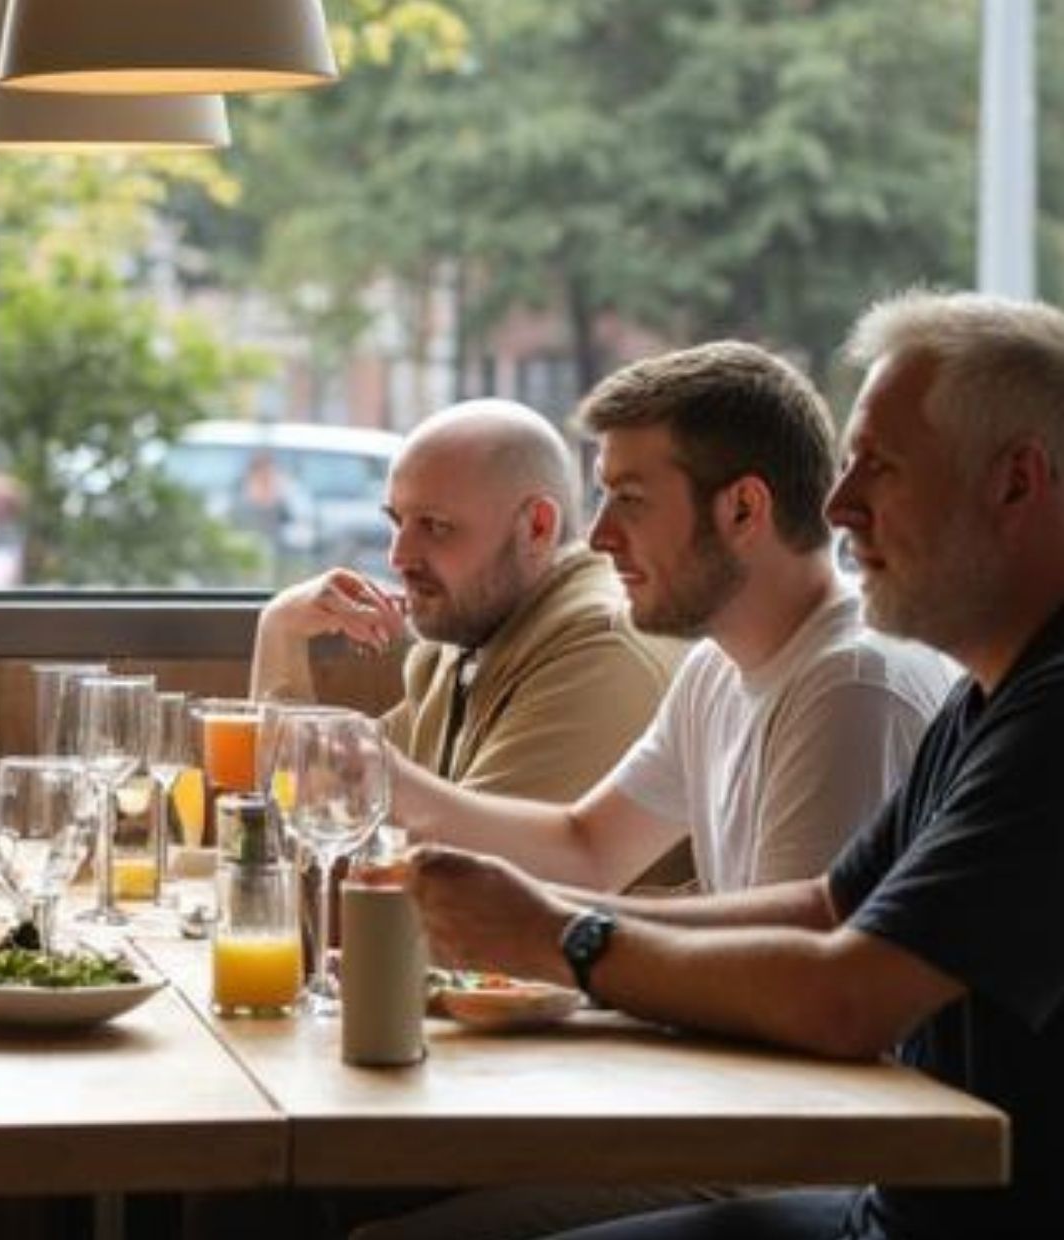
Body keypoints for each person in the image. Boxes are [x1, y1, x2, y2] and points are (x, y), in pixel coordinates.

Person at [406, 290, 1064, 1240]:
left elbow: (846, 997)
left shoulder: (1013, 710)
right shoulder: (988, 697)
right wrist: (533, 919)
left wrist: (563, 942)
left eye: (878, 468)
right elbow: (827, 905)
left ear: (1015, 484)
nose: (839, 506)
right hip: (896, 1207)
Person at [389, 343, 954, 897]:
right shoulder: (717, 666)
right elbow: (588, 850)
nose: (598, 536)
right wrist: (381, 778)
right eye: (602, 496)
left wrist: (562, 939)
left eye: (630, 499)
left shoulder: (851, 689)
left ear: (743, 509)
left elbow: (795, 969)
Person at [252, 399, 683, 809]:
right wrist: (280, 630)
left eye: (436, 527)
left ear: (536, 527)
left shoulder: (598, 657)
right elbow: (326, 799)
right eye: (397, 522)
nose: (398, 557)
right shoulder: (471, 635)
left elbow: (454, 869)